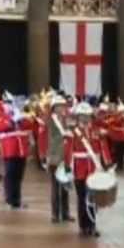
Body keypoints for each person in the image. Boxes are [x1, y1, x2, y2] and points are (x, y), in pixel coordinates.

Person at [65, 103, 108, 238]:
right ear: (78, 117)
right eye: (82, 116)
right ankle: (83, 227)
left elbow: (103, 147)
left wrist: (107, 162)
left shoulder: (96, 131)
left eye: (87, 116)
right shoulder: (73, 133)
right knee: (82, 199)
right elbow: (68, 151)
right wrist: (67, 167)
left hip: (93, 169)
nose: (85, 119)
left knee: (93, 200)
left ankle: (92, 225)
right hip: (80, 169)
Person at [45, 95, 71, 223]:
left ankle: (65, 213)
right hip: (54, 157)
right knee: (55, 187)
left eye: (63, 106)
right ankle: (55, 214)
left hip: (65, 157)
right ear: (54, 108)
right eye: (60, 106)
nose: (63, 108)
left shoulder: (65, 120)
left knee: (65, 186)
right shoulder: (50, 120)